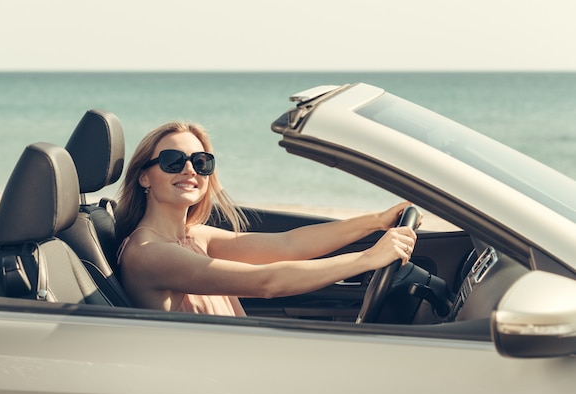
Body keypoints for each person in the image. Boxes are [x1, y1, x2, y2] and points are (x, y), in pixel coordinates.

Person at [115, 121, 420, 316]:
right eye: (173, 161)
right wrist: (367, 259)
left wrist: (376, 221)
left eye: (201, 161)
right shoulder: (149, 253)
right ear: (144, 177)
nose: (190, 170)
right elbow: (267, 282)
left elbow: (289, 244)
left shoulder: (193, 237)